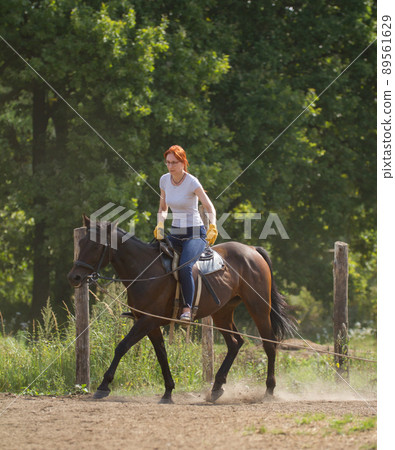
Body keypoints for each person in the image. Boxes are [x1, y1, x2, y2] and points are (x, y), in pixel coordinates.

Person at [154, 145, 218, 321]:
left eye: (174, 162)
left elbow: (208, 206)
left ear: (183, 162)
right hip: (175, 233)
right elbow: (163, 207)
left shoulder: (192, 182)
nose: (170, 166)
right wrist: (160, 223)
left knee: (185, 266)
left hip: (195, 233)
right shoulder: (164, 180)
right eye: (167, 162)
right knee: (153, 256)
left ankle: (187, 309)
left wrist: (213, 225)